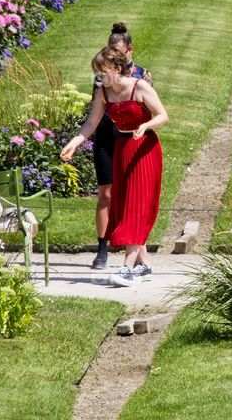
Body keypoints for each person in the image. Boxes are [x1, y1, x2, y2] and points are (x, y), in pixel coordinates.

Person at [62, 48, 168, 287]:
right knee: (124, 204)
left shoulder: (139, 87)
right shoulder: (103, 92)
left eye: (103, 72)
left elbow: (163, 115)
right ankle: (143, 265)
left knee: (136, 206)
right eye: (97, 73)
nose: (99, 77)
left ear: (118, 69)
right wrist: (73, 143)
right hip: (122, 147)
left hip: (144, 148)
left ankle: (127, 268)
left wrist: (146, 125)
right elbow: (91, 123)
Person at [89, 23, 152, 270]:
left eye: (118, 50)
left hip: (130, 138)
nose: (114, 54)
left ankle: (136, 255)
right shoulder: (101, 76)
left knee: (132, 196)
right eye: (110, 49)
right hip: (106, 135)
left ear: (129, 50)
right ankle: (103, 247)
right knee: (106, 192)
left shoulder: (142, 76)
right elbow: (97, 104)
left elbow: (148, 109)